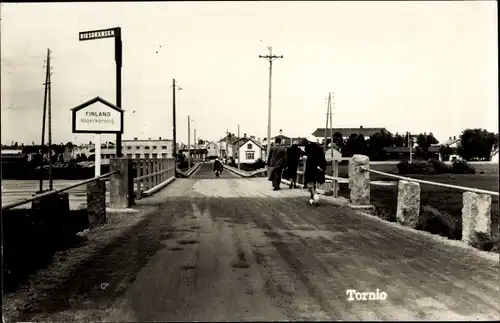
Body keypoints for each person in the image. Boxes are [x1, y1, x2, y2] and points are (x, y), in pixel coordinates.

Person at [302, 138, 327, 205]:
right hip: (318, 168)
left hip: (311, 167)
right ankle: (312, 197)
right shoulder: (319, 149)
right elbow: (322, 159)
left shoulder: (308, 148)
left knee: (310, 182)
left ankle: (315, 196)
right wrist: (322, 167)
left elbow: (307, 155)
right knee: (314, 182)